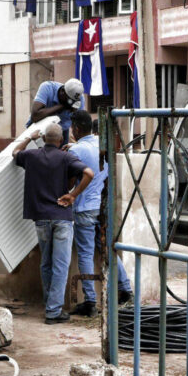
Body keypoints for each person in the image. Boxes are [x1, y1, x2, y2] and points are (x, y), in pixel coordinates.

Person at [13, 123, 94, 323]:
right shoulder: (66, 157)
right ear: (60, 141)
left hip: (40, 218)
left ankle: (50, 304)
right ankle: (53, 311)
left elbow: (15, 152)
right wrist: (73, 195)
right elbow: (89, 174)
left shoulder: (32, 156)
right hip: (62, 217)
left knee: (46, 263)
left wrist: (30, 138)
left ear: (44, 139)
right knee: (60, 265)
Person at [67, 110, 133, 316]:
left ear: (76, 129)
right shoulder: (101, 145)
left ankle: (90, 302)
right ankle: (125, 289)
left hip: (84, 207)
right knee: (107, 248)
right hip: (102, 206)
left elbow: (70, 179)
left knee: (86, 253)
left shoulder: (76, 150)